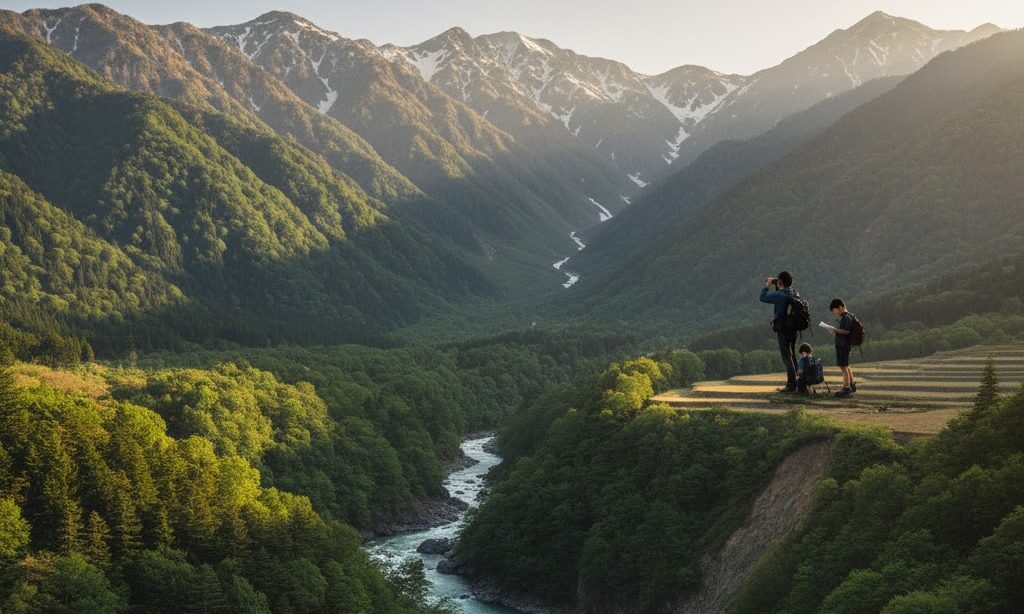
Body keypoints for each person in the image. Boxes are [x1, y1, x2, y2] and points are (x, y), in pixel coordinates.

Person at [760, 271, 798, 393]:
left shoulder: (780, 295)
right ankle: (797, 382)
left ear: (781, 282)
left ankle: (791, 385)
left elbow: (763, 298)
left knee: (786, 357)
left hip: (783, 329)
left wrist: (767, 285)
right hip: (794, 329)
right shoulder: (793, 292)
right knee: (792, 355)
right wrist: (778, 284)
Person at [827, 298, 856, 397]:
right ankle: (851, 384)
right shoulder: (847, 316)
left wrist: (834, 330)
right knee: (845, 365)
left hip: (843, 345)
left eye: (834, 310)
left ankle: (846, 388)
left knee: (843, 366)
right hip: (844, 344)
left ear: (840, 307)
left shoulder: (846, 317)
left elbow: (846, 331)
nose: (835, 313)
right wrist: (835, 330)